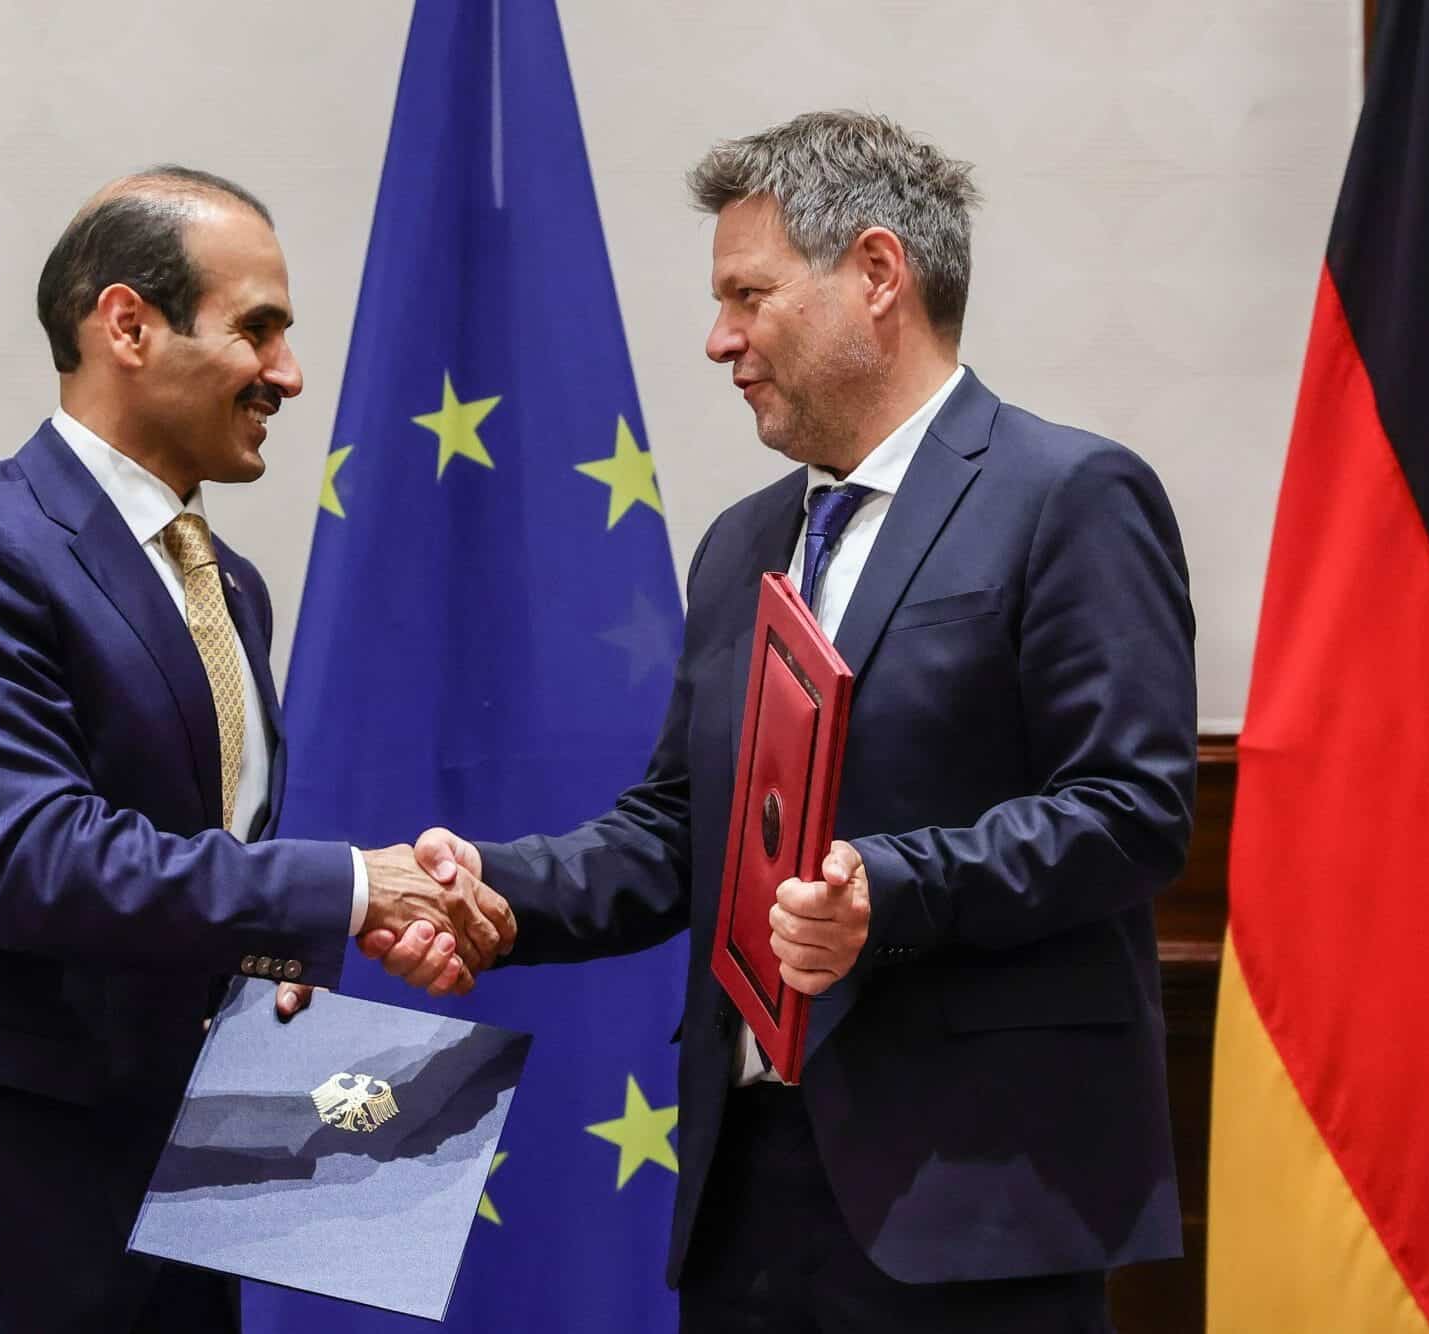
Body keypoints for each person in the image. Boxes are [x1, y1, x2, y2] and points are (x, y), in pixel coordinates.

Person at [376, 111, 1196, 1331]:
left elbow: (1130, 810)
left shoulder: (1066, 495)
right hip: (746, 1194)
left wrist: (888, 889)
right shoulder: (741, 542)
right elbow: (677, 833)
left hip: (973, 1197)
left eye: (747, 295)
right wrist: (492, 888)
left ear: (876, 272)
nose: (719, 339)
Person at [0, 167, 513, 1334]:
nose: (288, 373)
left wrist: (288, 951)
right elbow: (35, 863)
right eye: (257, 328)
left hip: (173, 1218)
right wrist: (353, 887)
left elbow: (194, 859)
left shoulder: (227, 583)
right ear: (128, 325)